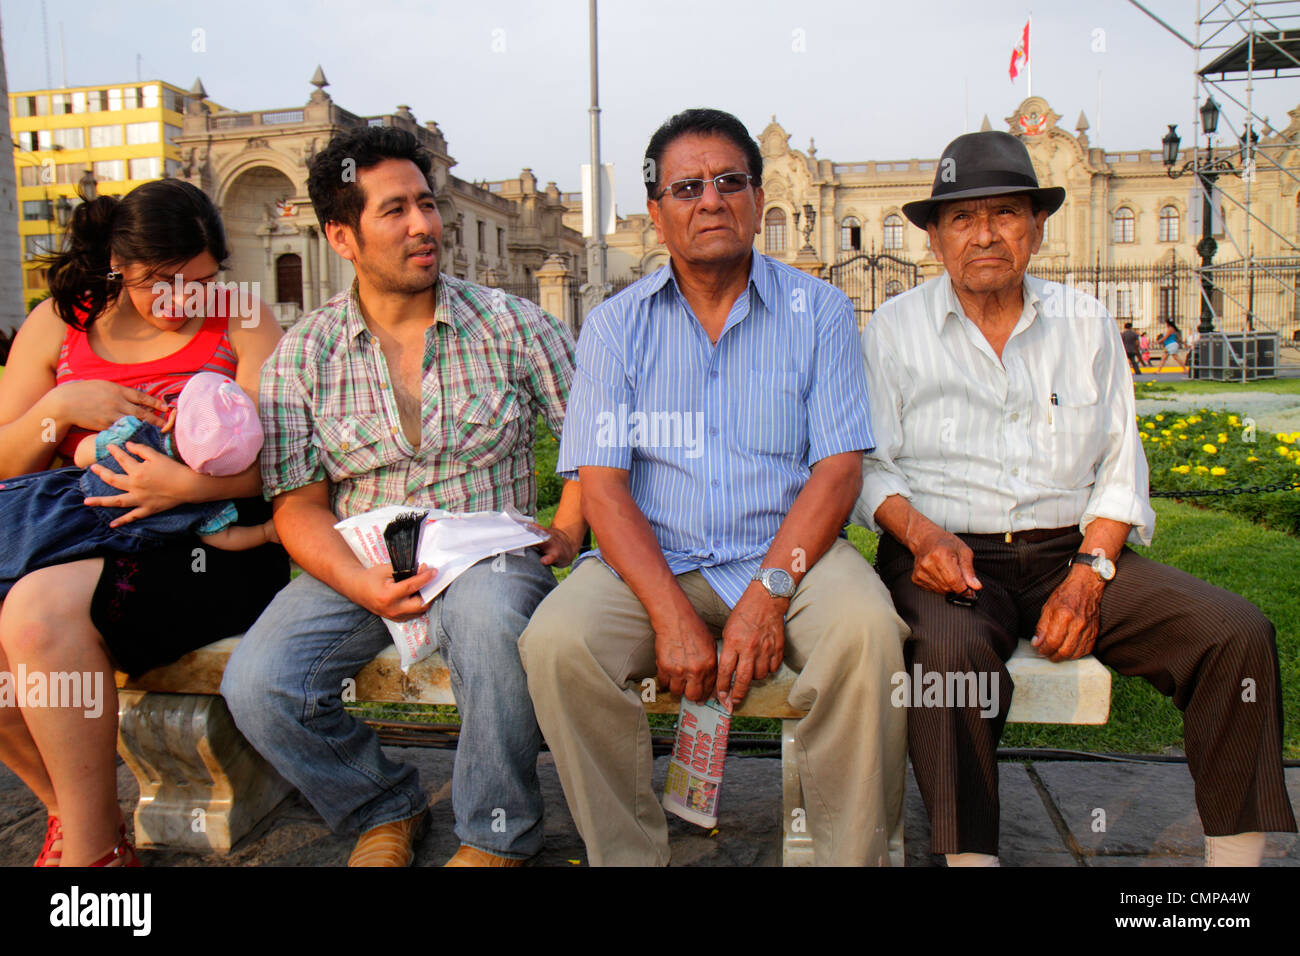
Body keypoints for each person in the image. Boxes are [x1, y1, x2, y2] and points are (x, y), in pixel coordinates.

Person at [852, 129, 1297, 867]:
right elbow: (870, 466)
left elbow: (1122, 464)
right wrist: (921, 537)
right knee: (951, 658)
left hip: (1071, 550)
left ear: (1038, 226)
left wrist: (1092, 574)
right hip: (944, 555)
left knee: (1235, 634)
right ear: (934, 238)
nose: (985, 234)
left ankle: (1234, 869)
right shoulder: (896, 330)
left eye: (1005, 213)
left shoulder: (1086, 323)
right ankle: (971, 859)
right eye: (961, 218)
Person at [519, 108, 909, 867]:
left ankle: (839, 857)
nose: (711, 200)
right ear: (657, 212)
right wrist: (669, 614)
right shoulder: (612, 326)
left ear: (759, 201)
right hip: (651, 562)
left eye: (731, 181)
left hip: (791, 557)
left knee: (867, 637)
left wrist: (768, 593)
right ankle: (630, 856)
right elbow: (602, 484)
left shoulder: (820, 311)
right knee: (558, 643)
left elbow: (837, 470)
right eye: (687, 186)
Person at [220, 125, 585, 868]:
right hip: (361, 553)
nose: (424, 226)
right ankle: (381, 805)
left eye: (427, 204)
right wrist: (358, 582)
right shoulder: (304, 354)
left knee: (491, 628)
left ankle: (497, 832)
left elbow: (593, 444)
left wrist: (572, 524)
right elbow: (298, 504)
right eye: (394, 210)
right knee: (258, 684)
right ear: (342, 236)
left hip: (489, 547)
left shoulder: (513, 326)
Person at [0, 178, 287, 867]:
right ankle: (70, 813)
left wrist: (182, 483)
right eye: (164, 282)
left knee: (35, 619)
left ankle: (93, 859)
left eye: (203, 280)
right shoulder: (59, 324)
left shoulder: (241, 317)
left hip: (209, 546)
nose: (187, 300)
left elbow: (288, 457)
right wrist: (64, 405)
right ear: (119, 266)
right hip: (70, 531)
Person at [0, 371, 277, 598]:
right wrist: (265, 532)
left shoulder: (133, 434)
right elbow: (223, 539)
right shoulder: (209, 505)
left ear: (171, 419)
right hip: (93, 547)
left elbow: (83, 454)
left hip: (63, 501)